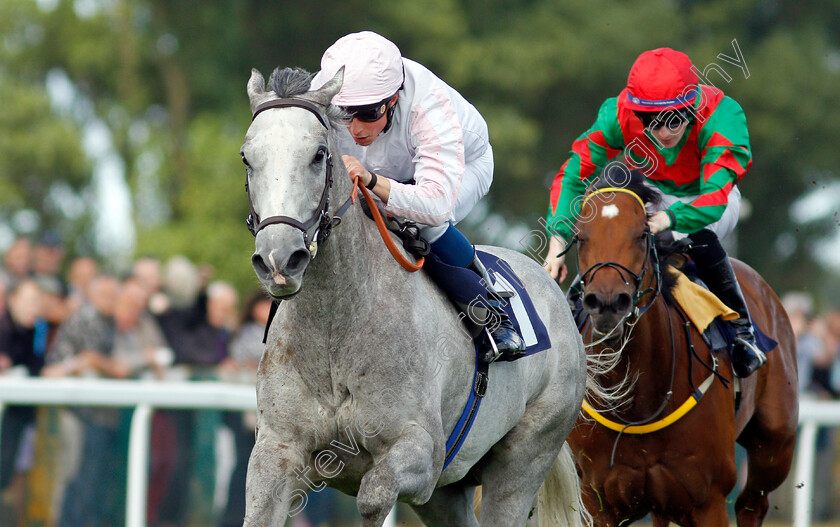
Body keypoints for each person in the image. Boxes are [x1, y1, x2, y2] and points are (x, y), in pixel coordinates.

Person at [542, 47, 765, 378]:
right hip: (653, 192)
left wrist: (670, 221)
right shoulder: (618, 114)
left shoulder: (722, 116)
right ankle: (575, 312)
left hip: (708, 198)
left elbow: (715, 197)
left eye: (674, 118)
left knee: (697, 233)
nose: (663, 132)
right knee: (611, 233)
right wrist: (558, 241)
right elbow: (574, 174)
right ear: (637, 112)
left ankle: (744, 331)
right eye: (650, 121)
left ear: (692, 105)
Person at [310, 31, 524, 357]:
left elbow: (435, 205)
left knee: (421, 222)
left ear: (393, 99)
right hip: (385, 171)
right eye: (345, 114)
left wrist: (371, 180)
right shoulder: (323, 91)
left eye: (369, 114)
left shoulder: (429, 107)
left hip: (461, 169)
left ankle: (493, 315)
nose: (356, 129)